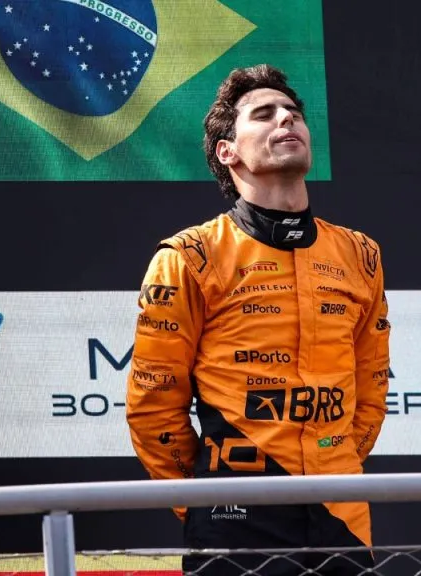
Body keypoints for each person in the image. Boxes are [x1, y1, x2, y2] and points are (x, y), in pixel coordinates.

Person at [125, 64, 391, 576]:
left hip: (342, 512)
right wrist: (207, 501)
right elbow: (153, 409)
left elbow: (371, 389)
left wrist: (336, 465)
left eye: (294, 113)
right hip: (234, 518)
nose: (286, 121)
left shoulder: (361, 254)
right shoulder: (189, 256)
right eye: (264, 114)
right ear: (228, 152)